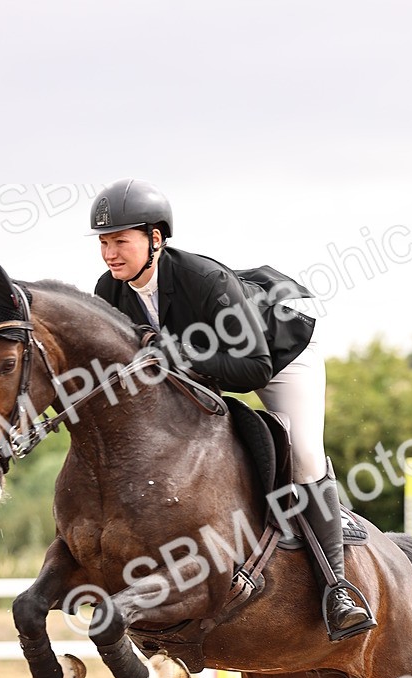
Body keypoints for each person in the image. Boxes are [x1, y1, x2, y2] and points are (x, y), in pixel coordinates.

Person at [90, 178, 376, 640]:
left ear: (155, 239)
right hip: (210, 368)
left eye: (120, 241)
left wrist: (176, 354)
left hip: (280, 351)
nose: (110, 253)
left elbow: (254, 369)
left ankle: (337, 589)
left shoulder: (204, 279)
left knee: (302, 453)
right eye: (104, 242)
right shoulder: (111, 291)